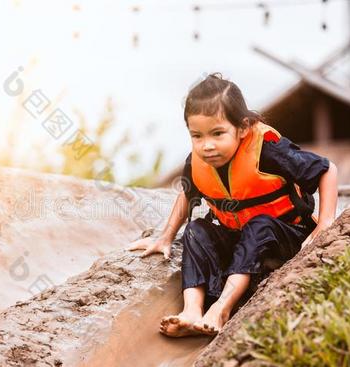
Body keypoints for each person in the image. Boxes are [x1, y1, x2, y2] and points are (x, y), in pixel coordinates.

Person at [127, 73, 338, 337]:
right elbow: (188, 193)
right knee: (196, 230)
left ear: (243, 128)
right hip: (240, 241)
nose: (207, 146)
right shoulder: (198, 162)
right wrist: (165, 237)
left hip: (284, 236)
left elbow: (327, 170)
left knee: (258, 225)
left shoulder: (268, 152)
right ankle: (192, 310)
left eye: (217, 133)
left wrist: (326, 223)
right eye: (197, 136)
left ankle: (222, 309)